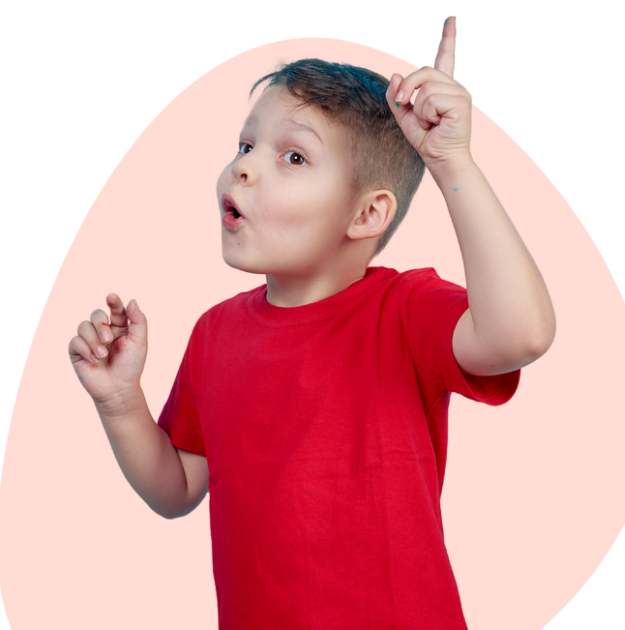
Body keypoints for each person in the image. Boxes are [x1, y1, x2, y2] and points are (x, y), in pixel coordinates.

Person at [68, 16, 555, 629]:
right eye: (245, 146)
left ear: (367, 213)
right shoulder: (214, 333)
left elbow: (523, 334)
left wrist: (451, 162)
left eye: (293, 155)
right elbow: (178, 488)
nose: (244, 168)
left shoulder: (403, 310)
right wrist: (119, 403)